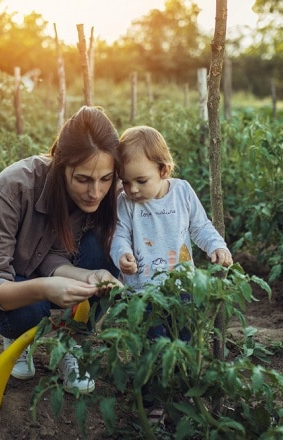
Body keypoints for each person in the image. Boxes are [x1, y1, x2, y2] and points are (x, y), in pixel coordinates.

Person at [0, 106, 121, 394]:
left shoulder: (111, 191)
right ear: (61, 165)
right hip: (17, 283)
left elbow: (52, 254)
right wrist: (45, 288)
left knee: (109, 249)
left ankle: (70, 341)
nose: (96, 192)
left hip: (52, 274)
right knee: (30, 309)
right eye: (83, 179)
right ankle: (17, 337)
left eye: (106, 179)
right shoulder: (14, 187)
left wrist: (89, 274)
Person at [109, 125, 233, 422]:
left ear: (164, 170)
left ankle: (180, 397)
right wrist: (121, 255)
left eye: (141, 180)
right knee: (151, 347)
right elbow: (119, 235)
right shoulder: (125, 203)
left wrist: (216, 246)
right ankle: (153, 403)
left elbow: (200, 226)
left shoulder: (182, 193)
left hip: (182, 290)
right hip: (143, 292)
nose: (133, 189)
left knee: (185, 342)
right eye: (125, 182)